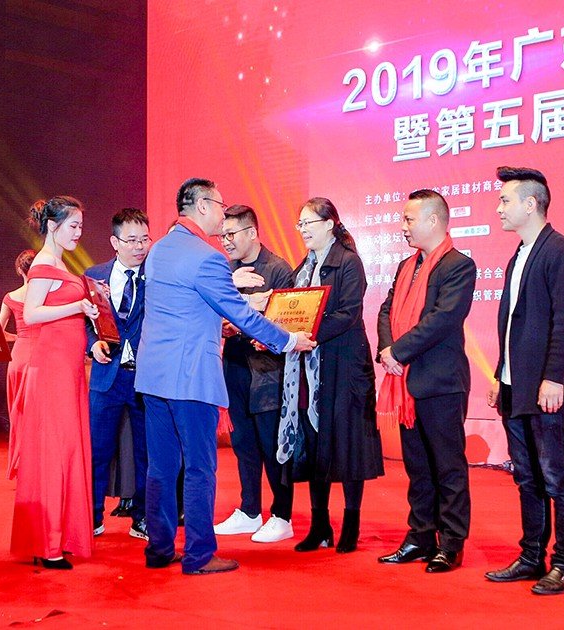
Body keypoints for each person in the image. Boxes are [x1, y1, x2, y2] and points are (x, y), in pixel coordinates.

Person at [135, 178, 315, 575]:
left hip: (153, 376)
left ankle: (159, 549)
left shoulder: (159, 249)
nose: (222, 212)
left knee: (161, 467)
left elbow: (184, 307)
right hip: (189, 377)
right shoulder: (207, 257)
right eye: (220, 204)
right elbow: (242, 315)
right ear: (202, 206)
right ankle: (199, 555)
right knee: (200, 467)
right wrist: (289, 340)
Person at [485, 166, 564, 595]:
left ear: (530, 204)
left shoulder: (560, 252)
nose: (498, 208)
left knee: (557, 477)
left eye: (505, 200)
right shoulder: (519, 255)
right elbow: (513, 324)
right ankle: (531, 557)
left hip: (545, 388)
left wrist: (553, 378)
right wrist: (499, 373)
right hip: (515, 385)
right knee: (526, 477)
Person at [375, 189, 476, 572]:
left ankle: (450, 543)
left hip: (440, 382)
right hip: (406, 382)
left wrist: (397, 352)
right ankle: (420, 536)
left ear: (433, 220)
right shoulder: (406, 266)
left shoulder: (459, 266)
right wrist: (387, 349)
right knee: (417, 466)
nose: (403, 226)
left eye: (409, 219)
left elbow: (442, 319)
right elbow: (386, 310)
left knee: (447, 467)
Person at [279, 197, 384, 554]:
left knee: (349, 445)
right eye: (300, 224)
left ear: (329, 224)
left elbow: (348, 313)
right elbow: (290, 311)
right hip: (310, 369)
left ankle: (351, 524)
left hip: (344, 368)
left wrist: (307, 336)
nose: (303, 230)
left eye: (308, 223)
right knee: (314, 445)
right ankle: (320, 524)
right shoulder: (303, 267)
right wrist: (282, 333)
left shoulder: (348, 262)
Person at [11, 196, 98, 570]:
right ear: (52, 226)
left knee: (65, 449)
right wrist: (76, 306)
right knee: (54, 450)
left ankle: (56, 536)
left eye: (80, 226)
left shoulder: (58, 262)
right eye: (73, 226)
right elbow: (32, 313)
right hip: (52, 370)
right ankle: (47, 543)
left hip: (67, 368)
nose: (79, 232)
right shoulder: (44, 264)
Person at [214, 205, 296, 543]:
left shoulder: (278, 269)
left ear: (251, 233)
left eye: (231, 234)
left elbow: (283, 321)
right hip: (234, 366)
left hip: (267, 371)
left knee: (272, 444)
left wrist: (244, 323)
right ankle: (250, 510)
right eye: (223, 235)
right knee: (243, 443)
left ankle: (282, 515)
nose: (226, 241)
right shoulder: (225, 271)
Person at [85, 207, 151, 540]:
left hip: (146, 377)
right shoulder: (94, 275)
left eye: (145, 239)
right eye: (132, 240)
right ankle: (92, 517)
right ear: (115, 242)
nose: (139, 247)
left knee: (146, 453)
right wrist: (91, 344)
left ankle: (142, 518)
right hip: (106, 376)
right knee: (97, 450)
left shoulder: (157, 275)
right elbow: (85, 322)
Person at [0, 248, 37, 480]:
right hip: (42, 354)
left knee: (19, 411)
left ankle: (21, 462)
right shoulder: (44, 296)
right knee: (40, 411)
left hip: (20, 355)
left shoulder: (11, 297)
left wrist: (19, 337)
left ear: (19, 271)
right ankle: (38, 462)